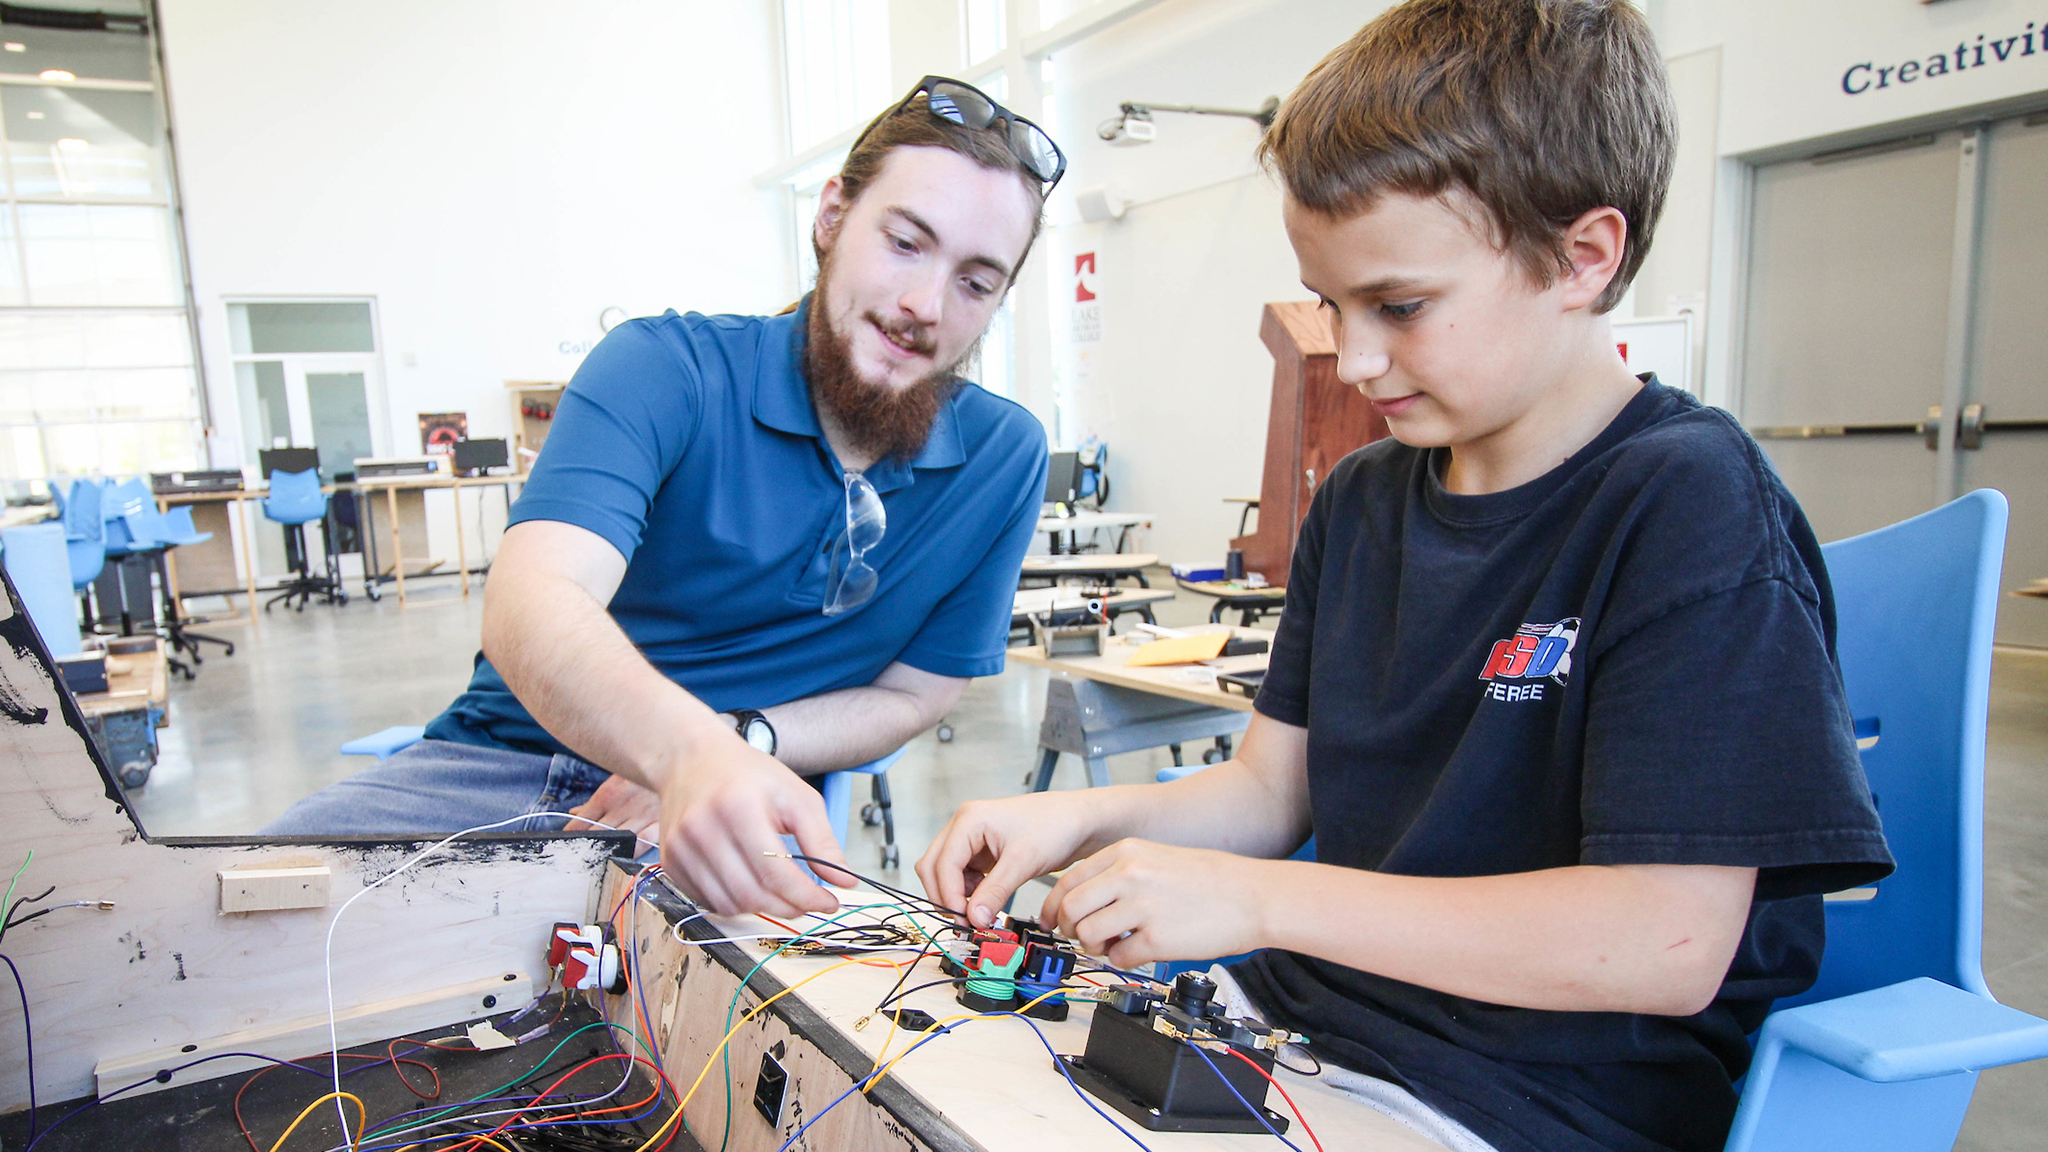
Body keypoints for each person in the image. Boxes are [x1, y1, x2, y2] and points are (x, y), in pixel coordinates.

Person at [916, 4, 1892, 1151]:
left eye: (1400, 306)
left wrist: (1257, 903)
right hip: (1296, 1029)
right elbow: (1273, 795)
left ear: (1582, 257)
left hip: (1534, 1096)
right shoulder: (1366, 500)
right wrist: (1076, 818)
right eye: (1330, 304)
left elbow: (1662, 945)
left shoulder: (1684, 504)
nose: (1355, 355)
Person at [265, 76, 1060, 921]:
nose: (924, 306)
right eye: (904, 243)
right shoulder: (663, 368)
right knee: (240, 934)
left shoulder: (1003, 459)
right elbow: (533, 599)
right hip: (512, 769)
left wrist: (733, 745)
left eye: (976, 282)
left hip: (749, 794)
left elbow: (916, 698)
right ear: (831, 217)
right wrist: (680, 754)